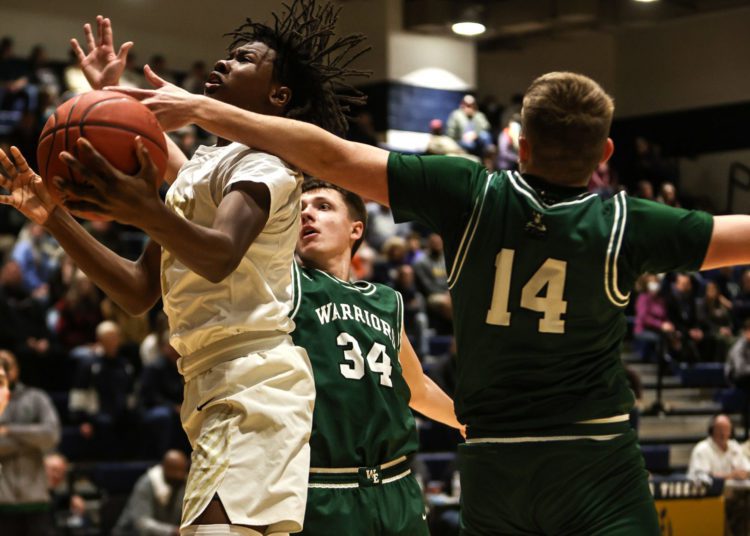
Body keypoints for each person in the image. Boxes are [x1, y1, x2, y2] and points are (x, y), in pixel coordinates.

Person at [114, 67, 750, 534]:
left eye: (324, 205)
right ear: (606, 153)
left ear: (519, 145)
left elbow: (327, 153)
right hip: (592, 453)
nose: (310, 212)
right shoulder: (628, 223)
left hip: (492, 461)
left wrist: (200, 107)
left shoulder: (469, 196)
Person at [0, 3, 368, 535]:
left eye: (243, 60)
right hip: (211, 384)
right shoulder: (203, 169)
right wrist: (52, 216)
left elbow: (218, 255)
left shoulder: (264, 164)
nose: (222, 63)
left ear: (277, 97)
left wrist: (143, 209)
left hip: (255, 383)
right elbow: (136, 290)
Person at [291, 180, 462, 535]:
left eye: (323, 206)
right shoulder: (287, 284)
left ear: (356, 229)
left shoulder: (387, 301)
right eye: (299, 208)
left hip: (396, 485)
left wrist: (467, 422)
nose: (306, 212)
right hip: (323, 487)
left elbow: (416, 389)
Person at [0, 350, 61, 536]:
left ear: (16, 370)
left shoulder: (36, 398)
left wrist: (10, 430)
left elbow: (51, 435)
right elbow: (41, 437)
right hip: (3, 501)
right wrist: (32, 440)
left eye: (7, 366)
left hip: (37, 499)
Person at [688, 414, 750, 536]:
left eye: (726, 429)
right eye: (719, 429)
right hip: (710, 499)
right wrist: (731, 475)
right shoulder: (702, 449)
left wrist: (744, 473)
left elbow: (747, 469)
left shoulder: (735, 447)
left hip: (739, 495)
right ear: (712, 430)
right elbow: (702, 477)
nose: (723, 433)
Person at [113, 449, 188, 536]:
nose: (178, 475)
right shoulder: (147, 483)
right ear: (164, 468)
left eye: (181, 471)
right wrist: (172, 531)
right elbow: (141, 523)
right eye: (174, 470)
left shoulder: (183, 483)